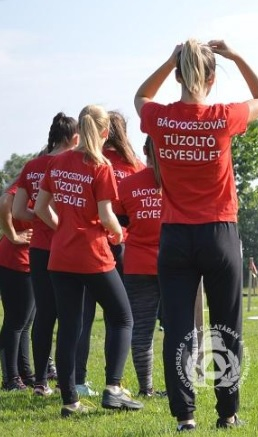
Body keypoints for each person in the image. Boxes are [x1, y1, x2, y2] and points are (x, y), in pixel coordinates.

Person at [134, 38, 258, 431]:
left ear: (177, 74)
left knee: (177, 327)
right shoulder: (224, 116)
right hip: (219, 233)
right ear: (212, 78)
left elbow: (142, 94)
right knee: (226, 325)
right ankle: (227, 414)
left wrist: (169, 59)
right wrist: (237, 56)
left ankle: (185, 417)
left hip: (175, 236)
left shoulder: (159, 118)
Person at [34, 104, 143, 417]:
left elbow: (41, 208)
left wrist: (64, 228)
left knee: (68, 326)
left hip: (61, 256)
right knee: (123, 317)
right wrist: (119, 235)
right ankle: (113, 388)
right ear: (105, 132)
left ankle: (70, 401)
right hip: (93, 254)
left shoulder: (56, 162)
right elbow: (108, 216)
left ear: (80, 130)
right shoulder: (101, 165)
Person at [76, 110, 146, 397]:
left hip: (86, 243)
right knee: (117, 317)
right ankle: (112, 381)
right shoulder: (136, 166)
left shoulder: (87, 162)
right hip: (120, 246)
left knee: (83, 316)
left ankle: (78, 381)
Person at [13, 112, 78, 396]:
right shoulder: (71, 164)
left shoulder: (31, 166)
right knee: (70, 316)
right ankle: (68, 381)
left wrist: (40, 220)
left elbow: (17, 211)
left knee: (44, 316)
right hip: (68, 249)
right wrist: (62, 225)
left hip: (38, 250)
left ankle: (40, 382)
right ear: (74, 139)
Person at [113, 136, 165, 397]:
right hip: (176, 265)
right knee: (180, 329)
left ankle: (146, 388)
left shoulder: (128, 184)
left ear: (144, 150)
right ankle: (181, 386)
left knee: (142, 330)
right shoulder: (178, 182)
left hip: (137, 264)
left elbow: (118, 219)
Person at [0, 184, 34, 391]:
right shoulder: (28, 180)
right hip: (16, 260)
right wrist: (13, 235)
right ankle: (10, 379)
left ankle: (24, 373)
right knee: (15, 322)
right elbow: (4, 201)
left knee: (25, 323)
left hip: (32, 260)